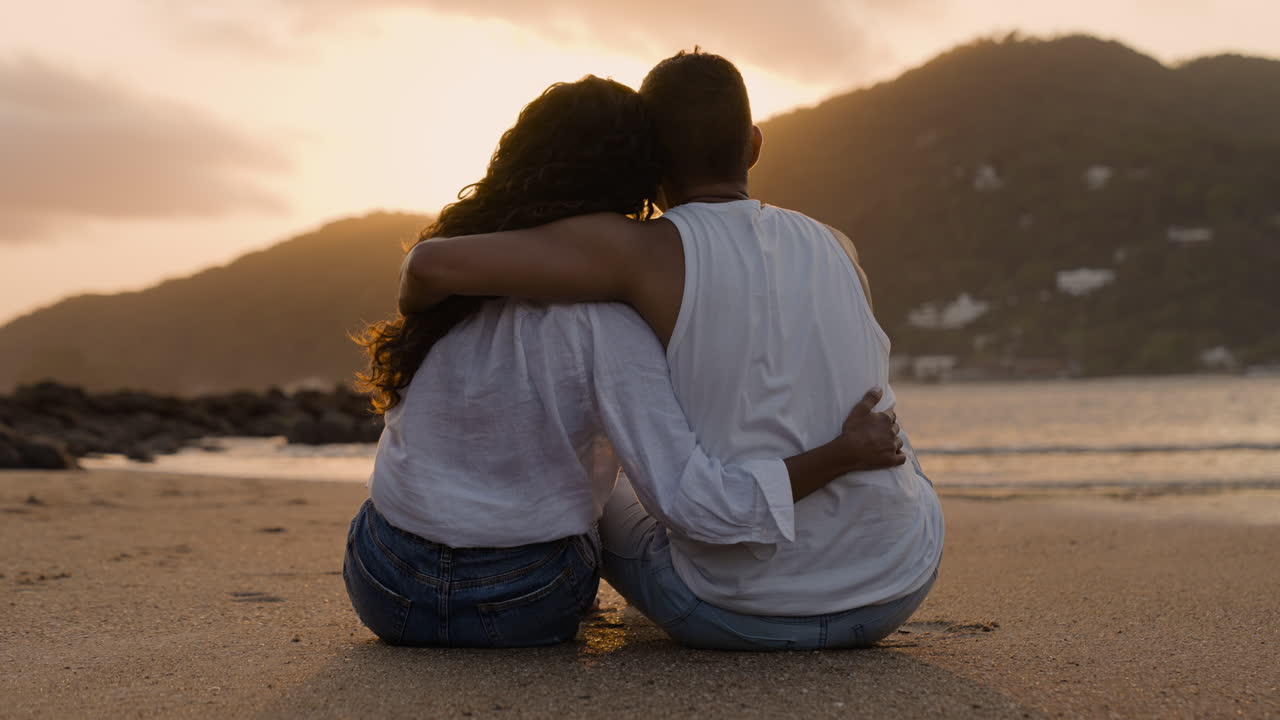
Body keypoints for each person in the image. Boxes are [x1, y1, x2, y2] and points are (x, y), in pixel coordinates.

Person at [398, 51, 945, 650]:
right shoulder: (838, 246)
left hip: (735, 614)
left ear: (653, 162)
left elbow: (431, 266)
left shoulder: (637, 254)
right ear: (755, 145)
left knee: (600, 496)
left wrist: (423, 328)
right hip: (898, 581)